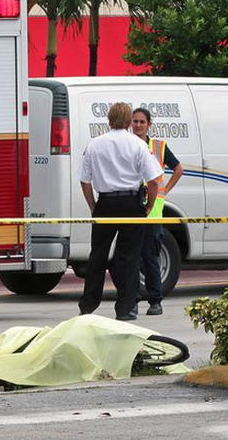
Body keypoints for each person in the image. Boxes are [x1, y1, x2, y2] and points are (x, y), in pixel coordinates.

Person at [77, 103, 163, 321]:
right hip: (131, 204)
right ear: (128, 122)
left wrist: (93, 207)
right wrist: (149, 206)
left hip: (105, 204)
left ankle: (87, 305)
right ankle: (125, 308)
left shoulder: (95, 144)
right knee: (129, 258)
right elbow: (154, 181)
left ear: (109, 120)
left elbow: (84, 180)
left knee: (97, 256)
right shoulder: (138, 145)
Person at [130, 108, 184, 316]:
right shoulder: (128, 144)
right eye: (135, 121)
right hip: (133, 208)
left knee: (151, 257)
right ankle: (133, 300)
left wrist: (165, 190)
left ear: (149, 124)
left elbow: (179, 169)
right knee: (132, 258)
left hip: (153, 212)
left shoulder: (158, 147)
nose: (138, 125)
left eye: (142, 121)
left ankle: (155, 300)